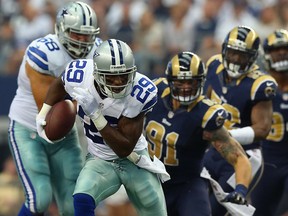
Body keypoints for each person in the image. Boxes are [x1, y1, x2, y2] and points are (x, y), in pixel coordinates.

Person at [36, 39, 168, 216]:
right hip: (100, 159)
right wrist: (44, 112)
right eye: (112, 76)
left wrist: (96, 115)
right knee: (82, 198)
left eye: (124, 75)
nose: (119, 81)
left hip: (133, 159)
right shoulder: (80, 75)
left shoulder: (140, 92)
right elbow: (60, 83)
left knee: (155, 210)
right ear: (97, 74)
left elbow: (124, 148)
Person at [7, 1, 102, 215]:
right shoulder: (43, 52)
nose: (82, 41)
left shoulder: (98, 53)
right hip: (30, 128)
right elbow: (50, 112)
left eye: (87, 35)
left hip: (65, 134)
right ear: (61, 29)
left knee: (76, 200)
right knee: (39, 198)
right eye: (76, 34)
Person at [144, 51, 252, 216]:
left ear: (201, 81)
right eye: (181, 81)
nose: (186, 87)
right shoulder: (154, 92)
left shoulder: (205, 114)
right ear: (170, 81)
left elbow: (238, 157)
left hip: (188, 185)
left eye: (191, 81)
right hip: (153, 182)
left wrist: (241, 188)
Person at [203, 25, 278, 216]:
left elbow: (262, 129)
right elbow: (203, 104)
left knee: (216, 210)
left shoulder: (260, 84)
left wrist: (226, 135)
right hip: (213, 151)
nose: (235, 58)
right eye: (233, 52)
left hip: (245, 155)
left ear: (253, 57)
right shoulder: (214, 65)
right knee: (194, 203)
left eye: (241, 54)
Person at [250, 29, 288, 216]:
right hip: (266, 162)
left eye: (285, 48)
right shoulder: (259, 85)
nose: (281, 53)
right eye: (276, 49)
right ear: (267, 54)